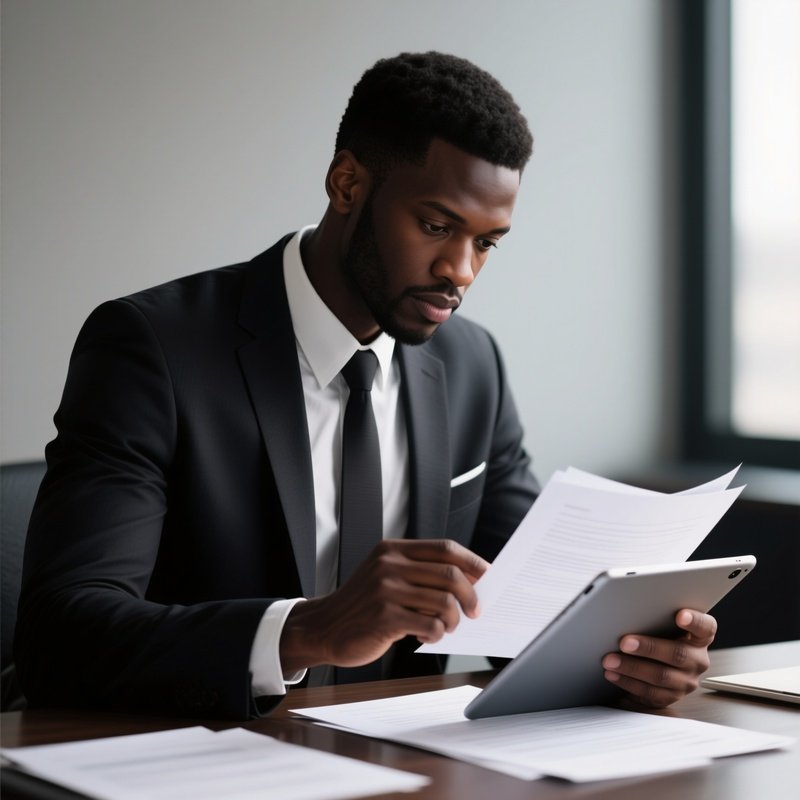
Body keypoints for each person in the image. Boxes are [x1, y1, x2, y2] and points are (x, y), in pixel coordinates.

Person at [15, 52, 716, 720]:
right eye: (438, 226)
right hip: (194, 758)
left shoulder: (472, 367)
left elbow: (531, 604)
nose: (461, 271)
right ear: (347, 184)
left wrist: (628, 660)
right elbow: (62, 634)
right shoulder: (154, 348)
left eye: (486, 242)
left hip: (406, 770)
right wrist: (305, 631)